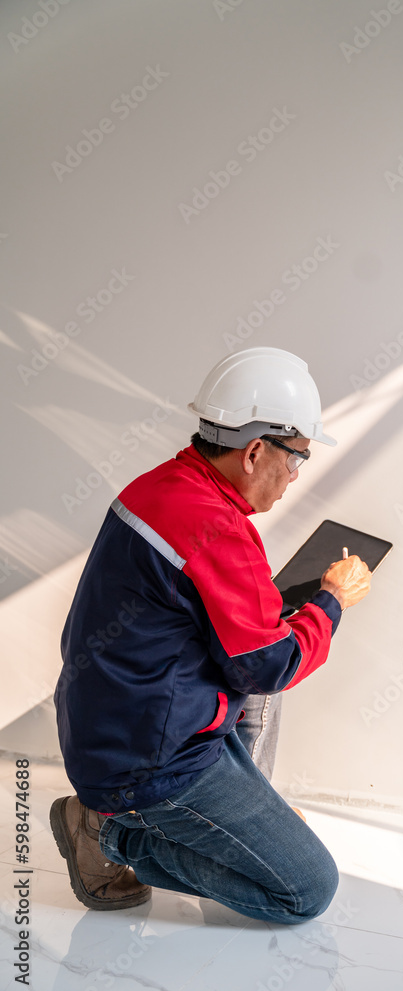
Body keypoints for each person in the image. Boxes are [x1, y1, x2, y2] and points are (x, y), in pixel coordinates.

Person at [50, 346, 372, 923]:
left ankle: (240, 824)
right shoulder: (216, 527)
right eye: (296, 458)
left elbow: (207, 618)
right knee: (305, 891)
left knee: (268, 666)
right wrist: (332, 601)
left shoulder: (163, 484)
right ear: (254, 451)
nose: (295, 476)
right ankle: (106, 834)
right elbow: (272, 666)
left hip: (112, 725)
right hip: (151, 763)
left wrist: (277, 613)